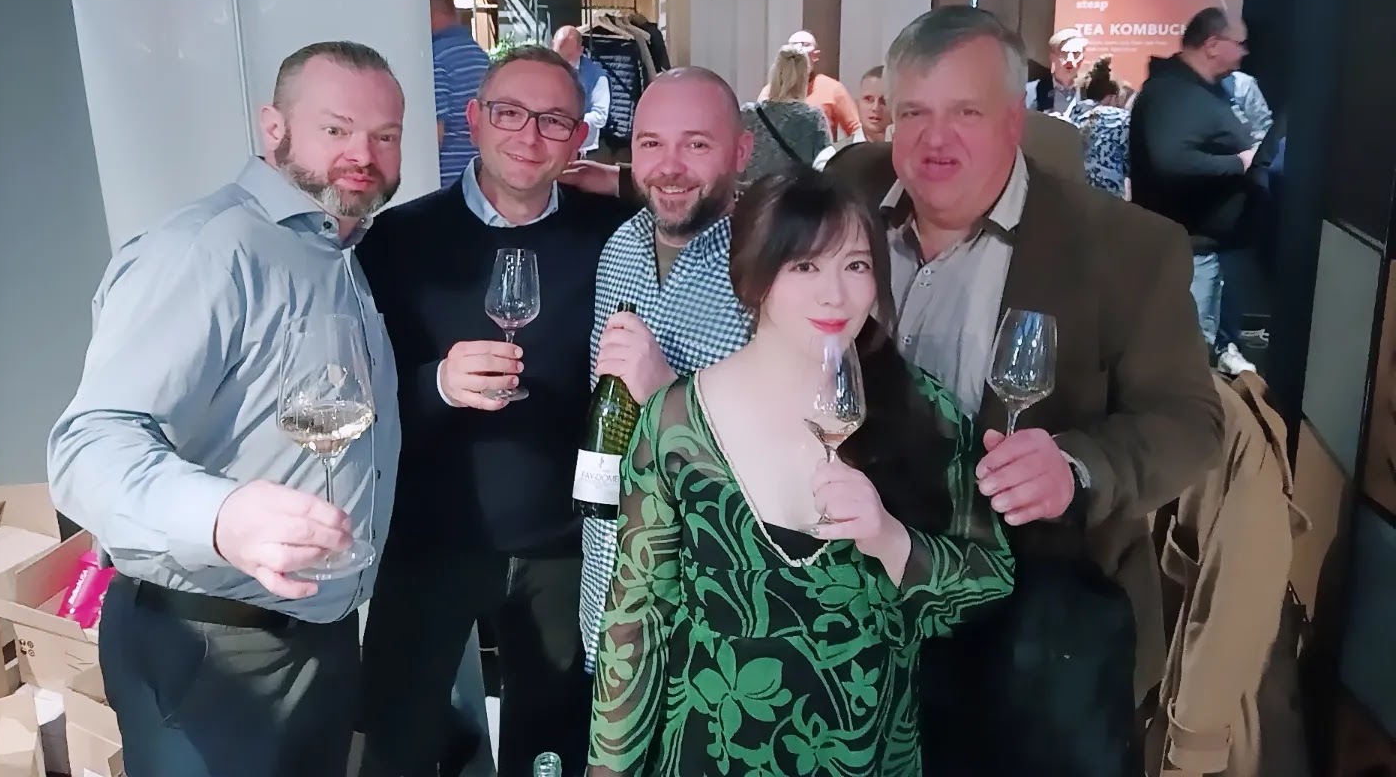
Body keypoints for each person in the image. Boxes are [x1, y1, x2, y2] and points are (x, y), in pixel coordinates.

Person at [825, 5, 1223, 775]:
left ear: (1014, 119)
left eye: (966, 113)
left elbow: (1189, 420)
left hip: (1033, 611)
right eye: (915, 113)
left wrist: (1075, 466)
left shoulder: (1126, 247)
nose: (935, 140)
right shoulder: (848, 189)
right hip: (865, 590)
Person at [48, 42, 406, 777]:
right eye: (336, 129)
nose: (363, 155)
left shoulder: (335, 247)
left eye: (385, 135)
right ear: (273, 127)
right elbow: (88, 446)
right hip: (209, 648)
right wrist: (222, 516)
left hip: (318, 632)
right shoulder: (205, 250)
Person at [587, 171, 1014, 776]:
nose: (834, 295)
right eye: (805, 266)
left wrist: (889, 539)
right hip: (708, 751)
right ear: (752, 276)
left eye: (856, 266)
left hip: (865, 753)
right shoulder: (676, 422)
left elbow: (988, 585)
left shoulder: (924, 413)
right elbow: (637, 620)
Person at [356, 47, 634, 777]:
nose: (529, 136)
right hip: (428, 537)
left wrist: (627, 178)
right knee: (397, 741)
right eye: (510, 113)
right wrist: (437, 386)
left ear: (579, 137)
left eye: (554, 120)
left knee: (549, 752)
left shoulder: (614, 234)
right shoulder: (395, 239)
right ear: (474, 119)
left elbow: (709, 204)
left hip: (562, 544)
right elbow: (355, 397)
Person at [573, 67, 755, 677]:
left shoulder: (776, 264)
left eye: (696, 144)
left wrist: (668, 395)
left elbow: (804, 452)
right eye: (651, 143)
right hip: (610, 578)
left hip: (717, 597)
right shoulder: (620, 248)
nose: (669, 167)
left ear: (741, 151)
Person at [1129, 8, 1257, 373]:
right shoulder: (1172, 94)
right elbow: (1171, 161)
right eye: (1240, 43)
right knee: (1184, 362)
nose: (1245, 52)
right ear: (1213, 45)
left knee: (1190, 354)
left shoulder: (1196, 91)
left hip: (1200, 250)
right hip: (1187, 253)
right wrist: (1239, 163)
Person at [740, 43, 831, 183]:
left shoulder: (748, 114)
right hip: (795, 194)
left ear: (775, 73)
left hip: (754, 193)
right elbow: (825, 165)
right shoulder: (813, 118)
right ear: (804, 78)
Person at [432, 0, 490, 188]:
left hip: (444, 186)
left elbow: (434, 138)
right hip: (477, 181)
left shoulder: (433, 59)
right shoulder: (480, 56)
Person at [759, 29, 860, 139]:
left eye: (805, 45)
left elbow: (856, 129)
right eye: (793, 45)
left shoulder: (832, 88)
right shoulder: (770, 92)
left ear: (815, 55)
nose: (799, 48)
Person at [1065, 54, 1133, 198]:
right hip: (1108, 201)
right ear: (1111, 97)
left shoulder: (1070, 118)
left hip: (1072, 197)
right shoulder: (1121, 119)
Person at [814, 64, 890, 170]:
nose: (875, 108)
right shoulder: (831, 158)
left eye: (884, 100)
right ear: (858, 103)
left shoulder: (909, 158)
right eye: (868, 99)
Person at [554, 24, 611, 156]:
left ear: (580, 50)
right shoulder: (545, 71)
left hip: (583, 150)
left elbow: (600, 116)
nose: (562, 61)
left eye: (568, 56)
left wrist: (569, 120)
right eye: (558, 55)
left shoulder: (597, 77)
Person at [1025, 27, 1087, 113]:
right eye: (1064, 53)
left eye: (1076, 53)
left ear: (1083, 58)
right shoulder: (1030, 91)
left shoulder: (1090, 93)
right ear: (1052, 57)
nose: (1070, 59)